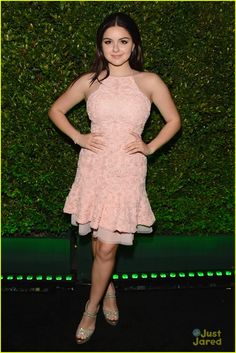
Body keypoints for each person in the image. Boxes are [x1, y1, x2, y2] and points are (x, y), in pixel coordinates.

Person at [48, 12, 181, 344]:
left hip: (127, 171)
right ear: (100, 46)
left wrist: (149, 146)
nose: (116, 48)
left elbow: (174, 121)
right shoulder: (90, 81)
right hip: (94, 168)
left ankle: (89, 310)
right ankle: (107, 288)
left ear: (133, 44)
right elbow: (56, 110)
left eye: (123, 41)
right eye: (109, 42)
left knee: (107, 247)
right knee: (97, 243)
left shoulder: (149, 81)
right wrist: (79, 138)